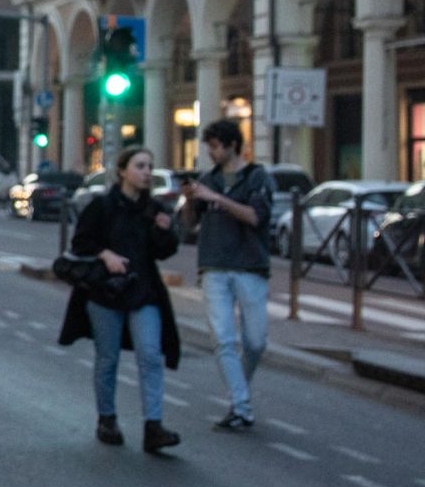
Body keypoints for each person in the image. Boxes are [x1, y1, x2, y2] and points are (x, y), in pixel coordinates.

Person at [61, 146, 183, 454]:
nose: (146, 172)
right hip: (106, 292)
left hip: (144, 291)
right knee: (108, 357)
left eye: (150, 167)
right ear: (123, 171)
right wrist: (106, 255)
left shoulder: (154, 209)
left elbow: (163, 251)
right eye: (140, 166)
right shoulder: (102, 206)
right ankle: (107, 419)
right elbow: (81, 243)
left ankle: (153, 426)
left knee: (151, 355)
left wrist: (165, 232)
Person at [180, 118, 274, 432]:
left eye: (216, 146)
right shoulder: (209, 178)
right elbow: (190, 226)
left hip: (250, 265)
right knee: (223, 339)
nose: (211, 152)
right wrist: (191, 200)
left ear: (233, 145)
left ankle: (238, 397)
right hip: (214, 266)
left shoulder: (256, 177)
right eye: (209, 146)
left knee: (256, 341)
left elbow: (255, 217)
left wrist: (216, 198)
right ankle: (242, 407)